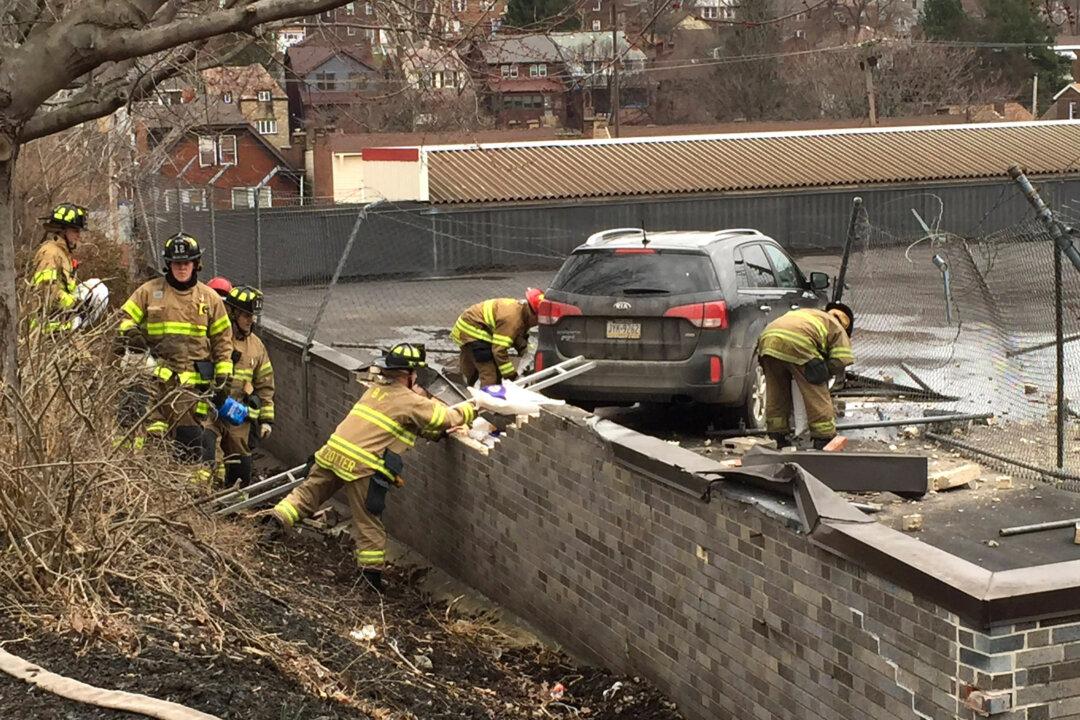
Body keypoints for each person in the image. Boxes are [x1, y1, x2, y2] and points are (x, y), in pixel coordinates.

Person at [266, 343, 475, 592]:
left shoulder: (375, 391)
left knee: (306, 495)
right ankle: (370, 581)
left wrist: (435, 434)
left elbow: (406, 425)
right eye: (416, 374)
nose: (418, 379)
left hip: (332, 453)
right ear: (407, 375)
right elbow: (448, 417)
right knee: (368, 523)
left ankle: (270, 527)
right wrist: (476, 406)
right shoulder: (408, 399)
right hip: (361, 466)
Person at [118, 233, 233, 482]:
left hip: (190, 389)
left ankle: (185, 494)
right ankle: (147, 486)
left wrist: (223, 375)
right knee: (151, 437)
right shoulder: (149, 292)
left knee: (189, 442)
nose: (182, 268)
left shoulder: (209, 298)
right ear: (168, 264)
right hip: (154, 381)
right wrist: (132, 334)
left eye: (187, 263)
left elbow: (223, 340)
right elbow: (122, 319)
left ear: (195, 264)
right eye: (177, 263)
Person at [757, 302, 855, 450]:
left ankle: (777, 436)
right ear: (846, 325)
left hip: (767, 340)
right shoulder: (837, 327)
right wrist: (824, 371)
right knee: (816, 393)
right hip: (798, 343)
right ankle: (824, 437)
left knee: (777, 393)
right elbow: (842, 359)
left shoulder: (812, 314)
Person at [214, 285, 274, 487]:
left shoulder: (257, 346)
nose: (250, 320)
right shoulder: (217, 336)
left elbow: (265, 385)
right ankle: (206, 504)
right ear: (232, 313)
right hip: (210, 408)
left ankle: (237, 506)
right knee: (209, 454)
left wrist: (266, 419)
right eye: (245, 314)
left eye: (253, 315)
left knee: (240, 461)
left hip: (238, 415)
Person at [451, 288, 542, 387]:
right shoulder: (512, 320)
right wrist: (512, 377)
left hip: (468, 327)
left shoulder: (519, 310)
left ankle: (465, 386)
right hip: (472, 333)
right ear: (534, 315)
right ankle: (486, 400)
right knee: (490, 375)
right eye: (539, 319)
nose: (538, 324)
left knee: (472, 368)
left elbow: (515, 335)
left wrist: (525, 350)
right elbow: (499, 351)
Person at [29, 203, 88, 333]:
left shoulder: (63, 253)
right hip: (48, 327)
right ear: (62, 230)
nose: (79, 235)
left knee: (97, 289)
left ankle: (79, 324)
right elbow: (47, 289)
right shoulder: (50, 253)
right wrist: (74, 303)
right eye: (75, 230)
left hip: (63, 321)